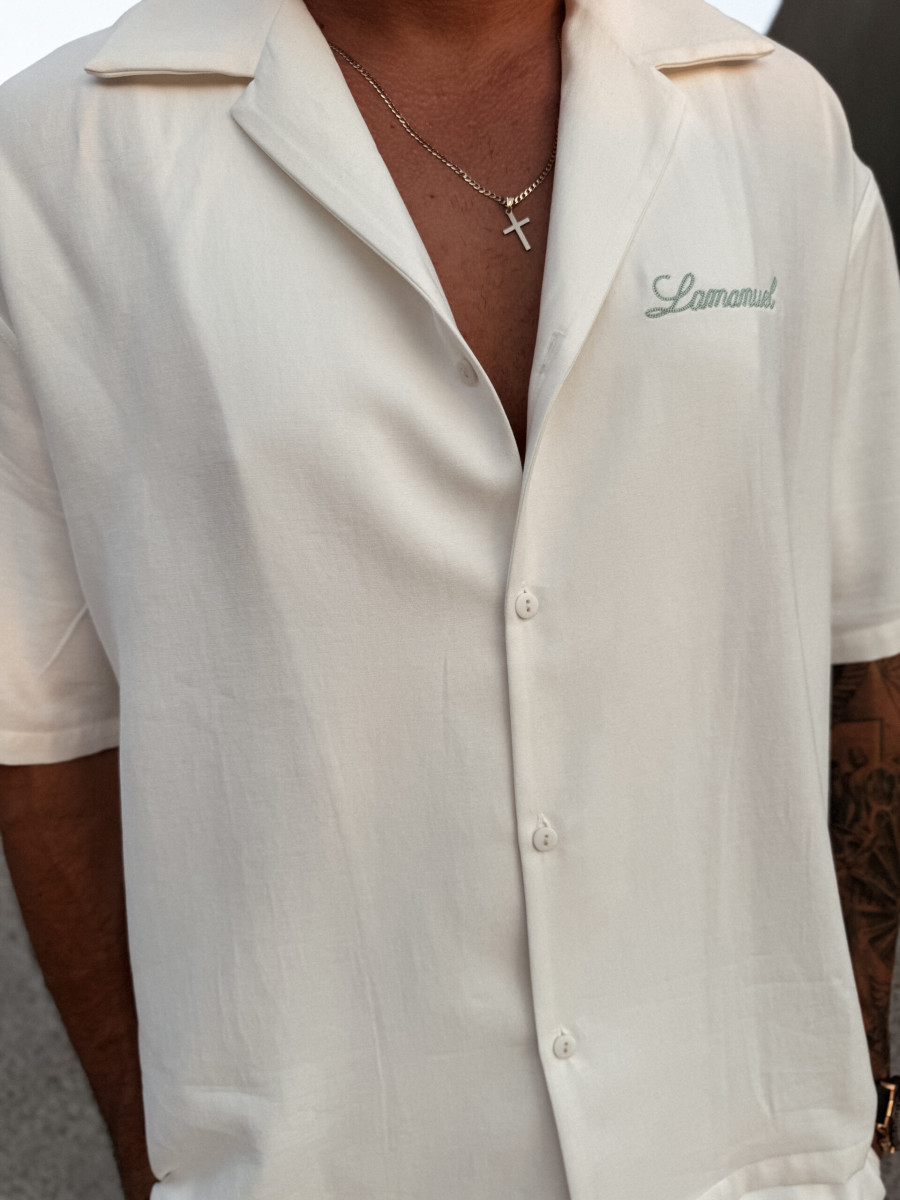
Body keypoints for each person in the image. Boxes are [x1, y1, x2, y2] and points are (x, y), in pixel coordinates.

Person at [1, 0, 900, 1197]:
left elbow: (863, 645)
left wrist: (852, 1097)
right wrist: (158, 1156)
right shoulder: (57, 164)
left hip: (752, 1165)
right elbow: (44, 736)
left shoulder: (774, 123)